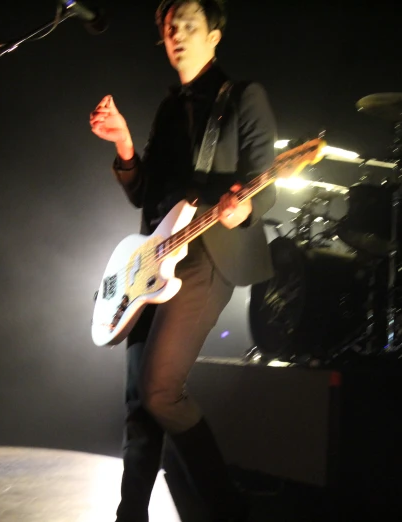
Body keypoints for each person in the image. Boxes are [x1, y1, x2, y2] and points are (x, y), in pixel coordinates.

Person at [89, 1, 277, 520]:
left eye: (189, 25)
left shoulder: (242, 97)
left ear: (216, 36)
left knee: (160, 391)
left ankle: (227, 509)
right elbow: (146, 196)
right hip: (155, 257)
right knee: (138, 404)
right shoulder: (170, 108)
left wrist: (244, 211)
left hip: (209, 254)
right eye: (169, 27)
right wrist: (125, 147)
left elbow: (267, 182)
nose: (177, 34)